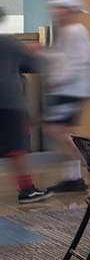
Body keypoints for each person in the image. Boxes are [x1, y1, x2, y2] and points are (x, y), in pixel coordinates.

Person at [41, 0, 90, 193]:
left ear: (69, 10)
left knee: (55, 130)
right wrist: (43, 53)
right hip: (66, 89)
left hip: (70, 90)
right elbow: (62, 58)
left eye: (59, 8)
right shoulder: (67, 31)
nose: (55, 12)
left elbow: (81, 61)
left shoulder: (75, 30)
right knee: (62, 132)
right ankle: (73, 177)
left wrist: (58, 81)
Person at [0, 23, 48, 202]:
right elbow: (33, 66)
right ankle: (26, 189)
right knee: (16, 149)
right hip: (9, 103)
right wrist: (32, 52)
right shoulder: (9, 43)